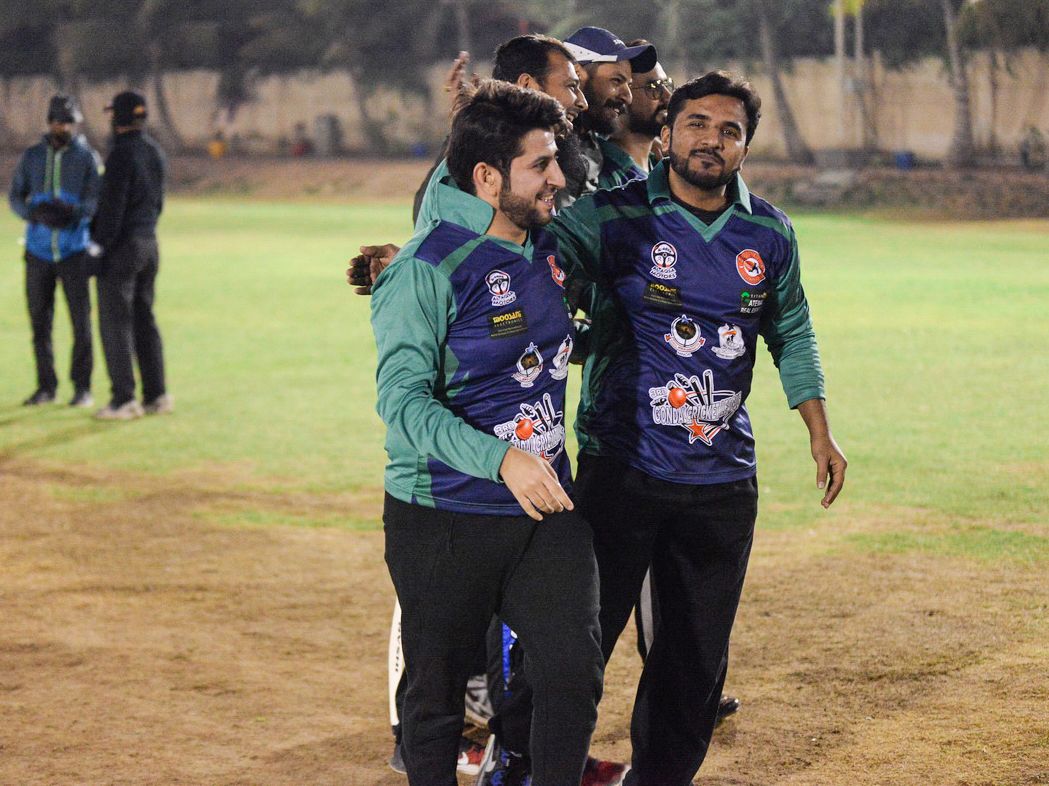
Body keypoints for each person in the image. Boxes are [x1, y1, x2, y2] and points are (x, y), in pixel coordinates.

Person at [356, 71, 847, 786]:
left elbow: (787, 328)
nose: (713, 140)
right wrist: (412, 261)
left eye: (731, 131)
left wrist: (817, 427)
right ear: (667, 133)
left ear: (747, 146)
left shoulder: (756, 232)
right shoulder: (584, 224)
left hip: (649, 489)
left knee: (632, 664)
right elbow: (440, 346)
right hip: (544, 486)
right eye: (697, 123)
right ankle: (512, 766)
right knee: (489, 679)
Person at [370, 79, 603, 786]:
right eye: (541, 164)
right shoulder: (424, 269)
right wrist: (502, 459)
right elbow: (402, 403)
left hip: (544, 508)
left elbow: (549, 347)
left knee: (572, 672)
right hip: (442, 515)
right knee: (435, 695)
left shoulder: (548, 246)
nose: (558, 178)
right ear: (487, 177)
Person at [7, 94, 102, 408]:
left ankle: (82, 388)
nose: (65, 128)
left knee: (81, 323)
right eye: (60, 122)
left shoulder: (87, 158)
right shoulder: (32, 156)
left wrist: (73, 214)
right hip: (38, 252)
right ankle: (46, 387)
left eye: (70, 122)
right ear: (50, 122)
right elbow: (15, 196)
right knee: (39, 324)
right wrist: (32, 214)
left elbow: (95, 199)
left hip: (73, 251)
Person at [91, 90, 171, 420]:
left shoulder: (120, 155)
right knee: (144, 319)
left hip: (123, 247)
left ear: (118, 117)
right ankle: (157, 394)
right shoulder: (155, 151)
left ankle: (124, 399)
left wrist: (97, 246)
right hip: (149, 243)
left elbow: (112, 210)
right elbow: (158, 202)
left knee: (115, 323)